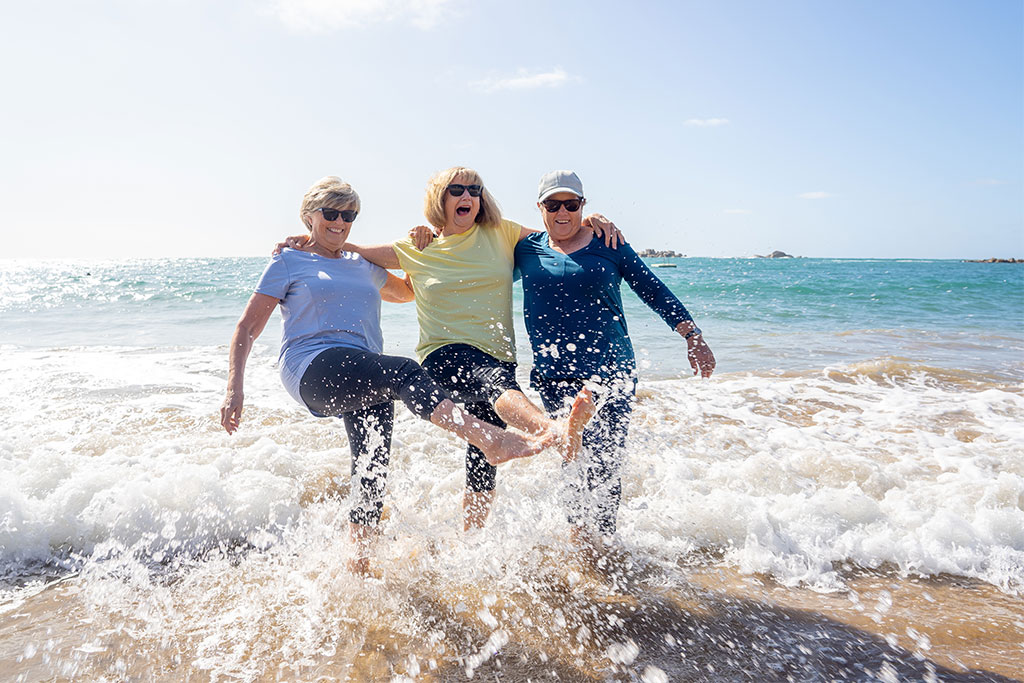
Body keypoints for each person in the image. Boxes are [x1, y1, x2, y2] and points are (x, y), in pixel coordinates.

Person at [221, 176, 553, 574]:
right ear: (309, 216)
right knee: (404, 372)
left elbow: (408, 291)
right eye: (331, 213)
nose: (340, 222)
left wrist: (424, 242)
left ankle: (359, 563)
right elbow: (247, 328)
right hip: (311, 365)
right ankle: (490, 439)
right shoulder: (288, 260)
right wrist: (233, 390)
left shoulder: (360, 263)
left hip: (363, 371)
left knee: (372, 463)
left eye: (349, 215)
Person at [284, 167, 613, 529]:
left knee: (484, 455)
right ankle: (552, 431)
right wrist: (308, 238)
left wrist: (589, 222)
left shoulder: (502, 233)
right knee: (494, 384)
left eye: (474, 189)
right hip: (444, 355)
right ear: (440, 198)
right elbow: (349, 248)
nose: (467, 196)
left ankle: (471, 538)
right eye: (457, 190)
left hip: (497, 353)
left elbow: (559, 238)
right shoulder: (416, 247)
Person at [514, 170, 716, 553]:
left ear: (583, 206)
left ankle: (604, 543)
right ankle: (580, 542)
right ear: (539, 208)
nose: (562, 212)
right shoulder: (525, 249)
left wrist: (693, 336)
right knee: (572, 456)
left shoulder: (609, 243)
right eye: (553, 205)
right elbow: (475, 264)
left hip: (611, 369)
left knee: (606, 461)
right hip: (555, 375)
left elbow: (652, 288)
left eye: (571, 205)